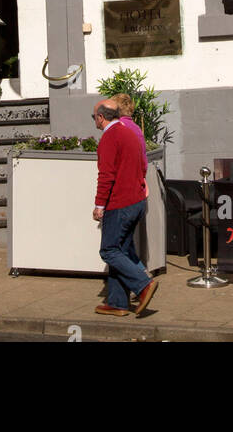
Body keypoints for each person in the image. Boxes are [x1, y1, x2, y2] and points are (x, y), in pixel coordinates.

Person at [92, 98, 157, 317]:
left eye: (94, 117)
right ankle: (117, 302)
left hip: (120, 202)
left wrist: (99, 205)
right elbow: (142, 165)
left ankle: (143, 284)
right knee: (120, 250)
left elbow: (106, 175)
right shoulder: (130, 132)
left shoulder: (110, 137)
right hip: (136, 200)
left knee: (109, 250)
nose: (95, 121)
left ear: (101, 117)